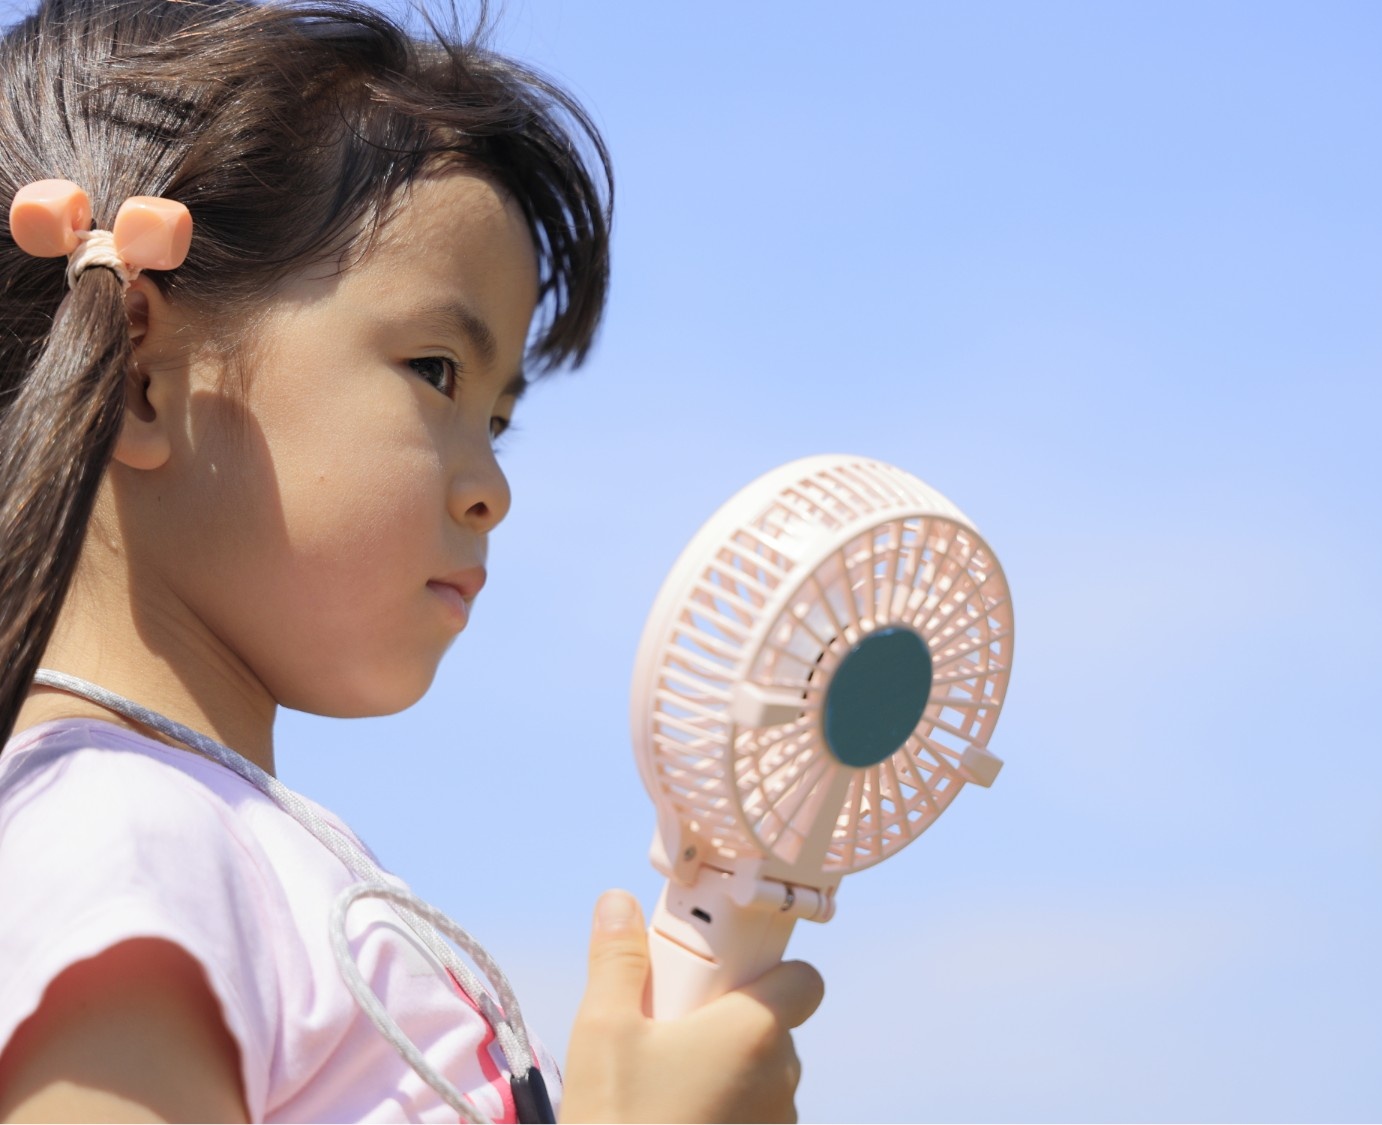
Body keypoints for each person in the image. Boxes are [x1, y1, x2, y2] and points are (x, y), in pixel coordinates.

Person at [0, 1, 823, 1121]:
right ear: (145, 377)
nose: (493, 488)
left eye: (500, 421)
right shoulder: (122, 834)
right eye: (436, 372)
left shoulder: (206, 838)